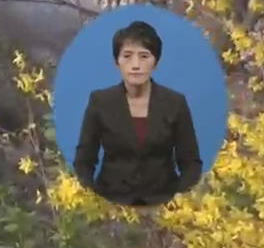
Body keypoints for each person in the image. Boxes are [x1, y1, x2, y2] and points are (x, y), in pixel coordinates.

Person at [73, 21, 203, 206]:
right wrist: (95, 200)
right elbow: (84, 161)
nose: (136, 65)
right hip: (111, 200)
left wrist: (177, 200)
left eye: (144, 56)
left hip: (164, 203)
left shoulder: (175, 103)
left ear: (156, 62)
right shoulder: (100, 101)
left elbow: (191, 163)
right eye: (127, 56)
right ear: (116, 61)